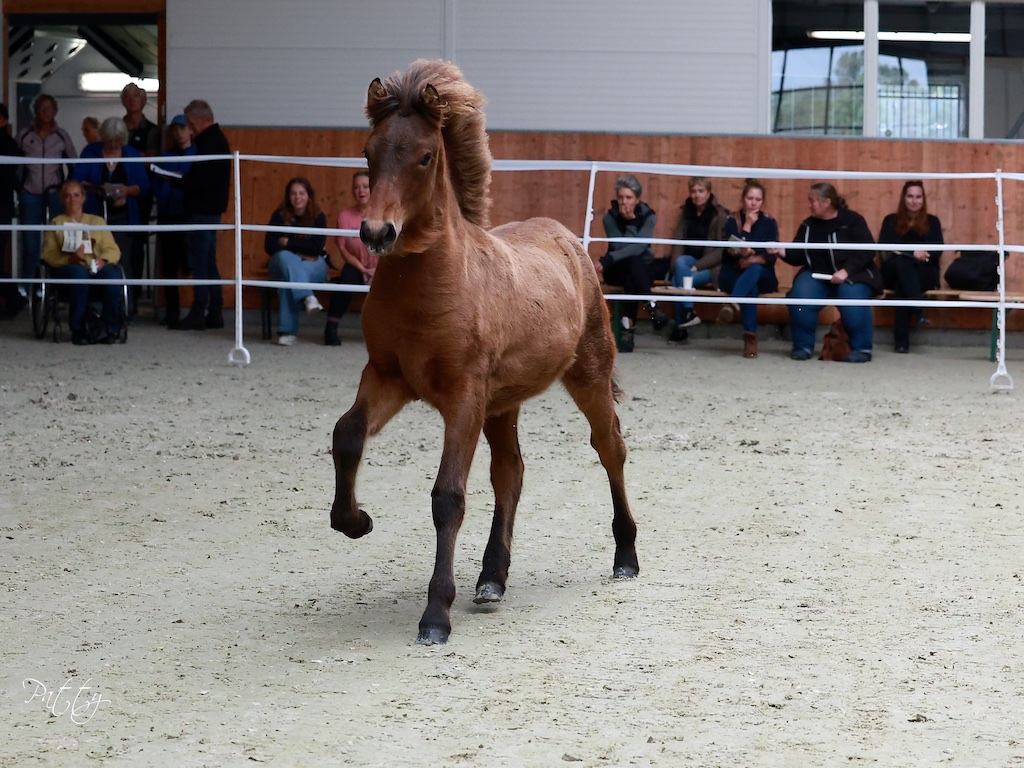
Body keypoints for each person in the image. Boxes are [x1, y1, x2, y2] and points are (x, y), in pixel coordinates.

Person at [781, 182, 881, 363]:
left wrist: (846, 271)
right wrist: (780, 251)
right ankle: (802, 346)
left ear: (826, 202)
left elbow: (867, 251)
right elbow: (797, 255)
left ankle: (862, 348)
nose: (809, 205)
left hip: (853, 276)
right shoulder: (808, 225)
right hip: (819, 276)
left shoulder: (853, 220)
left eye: (812, 201)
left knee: (851, 297)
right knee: (800, 297)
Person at [72, 117, 150, 317]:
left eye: (118, 142)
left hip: (124, 216)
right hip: (94, 217)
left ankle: (126, 308)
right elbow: (76, 180)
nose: (114, 145)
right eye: (110, 142)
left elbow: (144, 185)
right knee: (93, 259)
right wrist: (95, 188)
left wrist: (127, 190)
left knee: (123, 261)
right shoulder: (90, 153)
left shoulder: (131, 154)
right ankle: (95, 308)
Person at [40, 180, 123, 345]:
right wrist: (70, 259)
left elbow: (113, 249)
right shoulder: (57, 223)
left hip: (95, 264)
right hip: (69, 266)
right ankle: (77, 329)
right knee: (79, 273)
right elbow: (48, 255)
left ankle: (111, 328)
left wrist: (103, 260)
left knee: (113, 276)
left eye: (76, 195)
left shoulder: (97, 221)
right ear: (62, 199)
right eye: (68, 196)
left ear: (83, 198)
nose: (72, 200)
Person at [177, 99, 231, 331]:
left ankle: (199, 310)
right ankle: (214, 310)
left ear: (200, 120)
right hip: (211, 211)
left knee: (200, 262)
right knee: (208, 262)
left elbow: (201, 181)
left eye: (190, 123)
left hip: (202, 211)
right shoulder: (216, 141)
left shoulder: (210, 143)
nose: (189, 128)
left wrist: (180, 180)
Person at [15, 94, 77, 295]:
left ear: (55, 111)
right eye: (41, 107)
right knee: (30, 242)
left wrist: (65, 188)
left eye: (49, 108)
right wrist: (20, 188)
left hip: (54, 194)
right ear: (36, 111)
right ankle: (27, 285)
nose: (45, 111)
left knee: (55, 241)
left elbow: (73, 164)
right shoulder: (24, 135)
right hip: (30, 194)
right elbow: (12, 164)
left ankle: (52, 285)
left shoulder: (62, 136)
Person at [878, 180, 944, 353]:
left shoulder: (932, 222)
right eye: (910, 196)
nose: (914, 201)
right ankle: (918, 309)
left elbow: (936, 252)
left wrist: (902, 252)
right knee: (901, 266)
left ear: (923, 200)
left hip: (924, 272)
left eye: (918, 197)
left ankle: (902, 342)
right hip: (892, 271)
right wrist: (912, 253)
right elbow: (884, 250)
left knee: (903, 281)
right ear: (903, 198)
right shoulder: (890, 221)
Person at [596, 174, 660, 352]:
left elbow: (639, 248)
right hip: (616, 268)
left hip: (641, 269)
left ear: (637, 199)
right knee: (631, 264)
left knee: (633, 267)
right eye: (621, 197)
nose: (624, 201)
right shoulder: (609, 217)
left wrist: (632, 222)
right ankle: (652, 306)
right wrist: (632, 224)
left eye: (629, 197)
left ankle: (627, 331)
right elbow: (619, 245)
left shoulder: (649, 215)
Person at [720, 179, 783, 359]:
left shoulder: (769, 222)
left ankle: (733, 303)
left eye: (758, 199)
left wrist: (751, 258)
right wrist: (746, 227)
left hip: (763, 274)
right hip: (734, 274)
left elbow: (771, 254)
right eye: (750, 198)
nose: (754, 203)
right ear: (743, 199)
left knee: (754, 272)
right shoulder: (732, 220)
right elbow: (731, 252)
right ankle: (750, 337)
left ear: (763, 201)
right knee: (751, 287)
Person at [265, 177, 328, 346]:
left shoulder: (318, 217)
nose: (297, 197)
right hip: (281, 263)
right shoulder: (279, 216)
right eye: (293, 193)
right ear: (288, 196)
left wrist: (288, 243)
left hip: (314, 265)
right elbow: (269, 246)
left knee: (288, 281)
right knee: (286, 258)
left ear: (308, 196)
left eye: (301, 193)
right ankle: (307, 296)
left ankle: (288, 332)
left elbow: (316, 249)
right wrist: (299, 253)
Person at [667, 176, 729, 342]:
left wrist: (698, 266)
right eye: (693, 191)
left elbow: (722, 250)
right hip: (688, 262)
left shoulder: (719, 215)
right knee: (680, 265)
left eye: (701, 191)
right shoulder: (686, 212)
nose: (697, 195)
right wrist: (676, 266)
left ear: (708, 193)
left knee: (676, 282)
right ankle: (688, 312)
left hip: (711, 266)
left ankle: (680, 328)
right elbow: (678, 242)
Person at [151, 115, 196, 329]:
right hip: (167, 212)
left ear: (190, 131)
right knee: (168, 265)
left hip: (188, 213)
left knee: (190, 261)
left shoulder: (197, 154)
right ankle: (172, 311)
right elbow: (157, 181)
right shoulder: (165, 155)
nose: (179, 133)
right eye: (176, 129)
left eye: (183, 128)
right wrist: (162, 196)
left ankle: (197, 308)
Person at [324, 170, 376, 346]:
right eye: (356, 187)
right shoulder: (344, 216)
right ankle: (331, 327)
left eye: (365, 186)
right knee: (346, 279)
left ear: (373, 188)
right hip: (356, 264)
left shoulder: (384, 215)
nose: (361, 190)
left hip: (384, 266)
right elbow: (342, 247)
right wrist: (363, 270)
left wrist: (376, 271)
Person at [0, 102, 24, 320]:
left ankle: (14, 297)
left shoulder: (8, 144)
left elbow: (8, 175)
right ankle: (14, 297)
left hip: (2, 205)